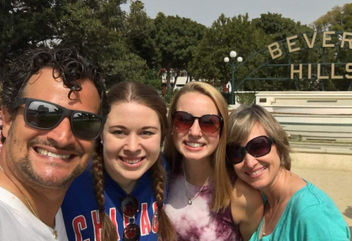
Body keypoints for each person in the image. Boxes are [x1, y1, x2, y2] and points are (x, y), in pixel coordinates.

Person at [0, 47, 105, 240]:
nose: (63, 137)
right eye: (43, 113)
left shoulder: (56, 211)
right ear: (7, 119)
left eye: (84, 122)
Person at [62, 81, 175, 241]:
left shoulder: (169, 173)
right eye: (119, 132)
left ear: (162, 135)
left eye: (147, 132)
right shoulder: (68, 181)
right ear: (100, 133)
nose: (132, 147)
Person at [226, 104, 351, 241]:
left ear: (278, 145)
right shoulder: (261, 199)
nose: (249, 162)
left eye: (258, 146)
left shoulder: (314, 213)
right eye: (236, 152)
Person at [164, 81, 263, 241]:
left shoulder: (243, 198)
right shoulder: (158, 178)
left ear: (222, 130)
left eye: (209, 122)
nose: (195, 132)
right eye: (183, 119)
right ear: (172, 124)